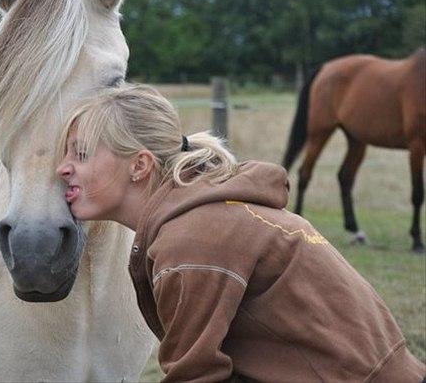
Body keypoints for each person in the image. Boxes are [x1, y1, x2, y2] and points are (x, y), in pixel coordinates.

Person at [55, 84, 425, 383]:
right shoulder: (204, 215)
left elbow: (195, 376)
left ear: (139, 165)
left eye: (81, 154)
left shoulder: (191, 241)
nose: (62, 169)